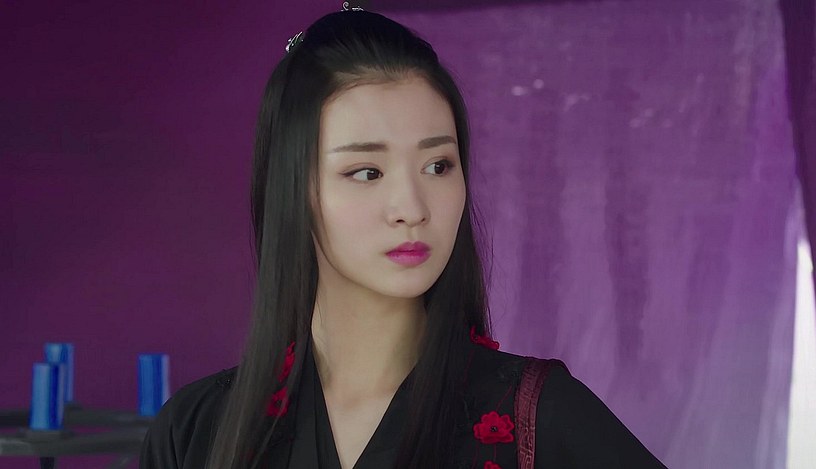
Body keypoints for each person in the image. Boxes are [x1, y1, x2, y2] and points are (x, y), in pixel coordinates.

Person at [140, 6, 666, 469]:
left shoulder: (538, 415)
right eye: (367, 172)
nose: (412, 208)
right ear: (293, 189)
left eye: (438, 166)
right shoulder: (196, 431)